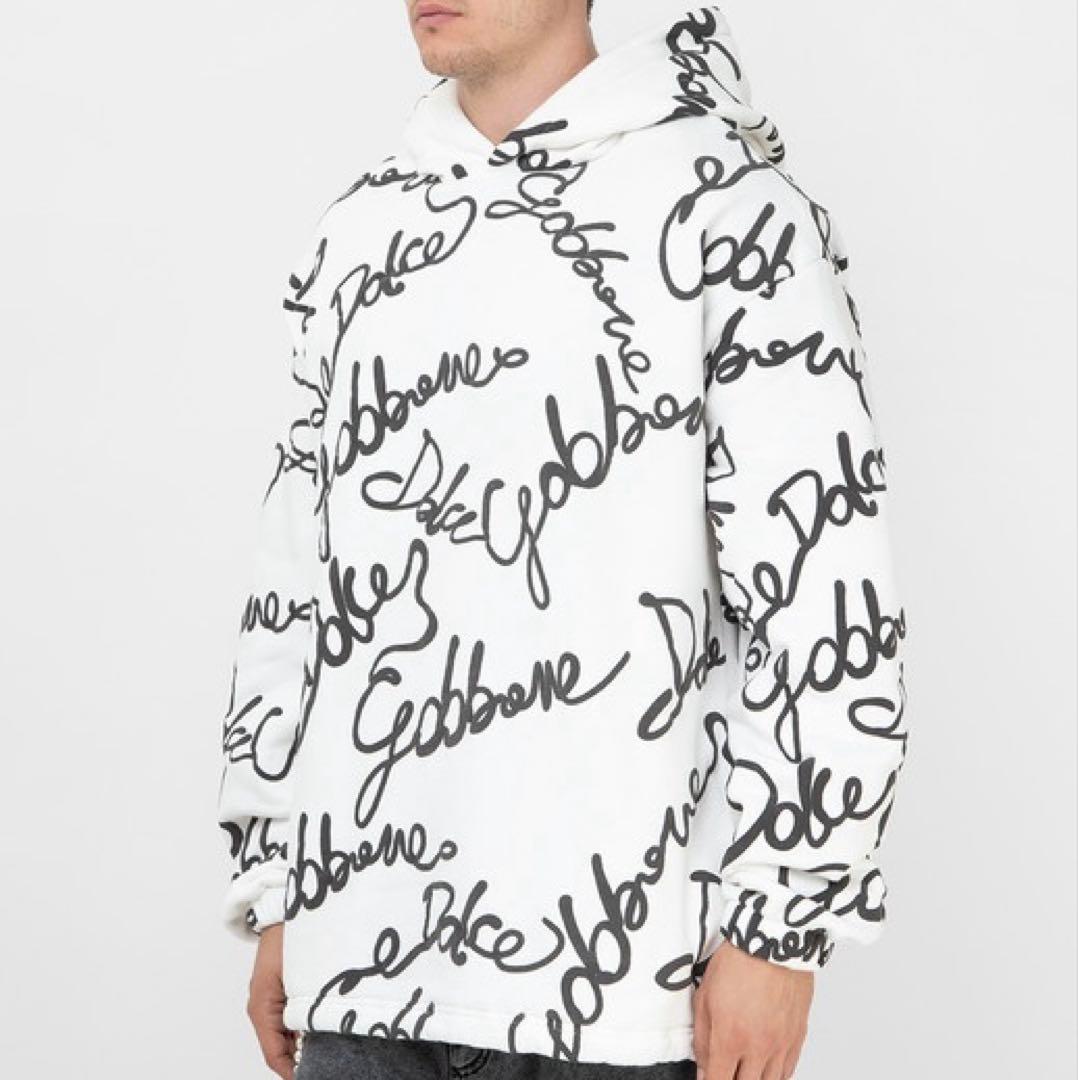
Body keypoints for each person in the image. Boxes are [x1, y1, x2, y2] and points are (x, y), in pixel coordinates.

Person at [216, 2, 910, 1079]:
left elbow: (821, 586)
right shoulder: (359, 230)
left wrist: (782, 927)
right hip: (359, 963)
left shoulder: (727, 210)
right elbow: (298, 574)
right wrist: (279, 889)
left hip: (618, 995)